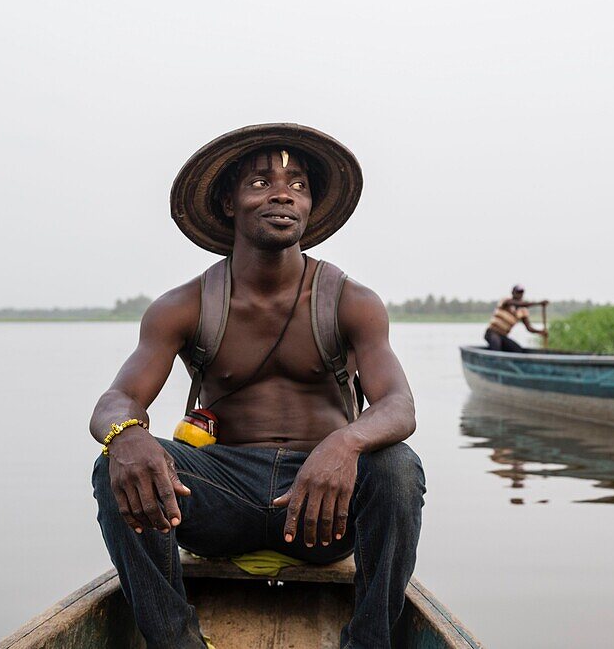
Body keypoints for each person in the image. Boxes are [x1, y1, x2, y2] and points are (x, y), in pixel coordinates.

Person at [89, 124, 424, 649]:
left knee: (397, 467)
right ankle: (176, 642)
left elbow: (399, 406)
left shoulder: (351, 300)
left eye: (297, 184)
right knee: (119, 463)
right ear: (229, 202)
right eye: (261, 182)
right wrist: (127, 435)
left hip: (322, 508)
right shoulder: (185, 304)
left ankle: (368, 640)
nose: (282, 194)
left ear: (311, 204)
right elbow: (117, 400)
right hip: (223, 500)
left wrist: (344, 442)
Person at [484, 285, 549, 352]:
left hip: (502, 336)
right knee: (496, 349)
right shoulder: (506, 301)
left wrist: (541, 332)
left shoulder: (523, 311)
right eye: (517, 292)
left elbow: (529, 328)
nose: (519, 295)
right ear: (512, 292)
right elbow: (522, 304)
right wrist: (539, 303)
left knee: (518, 350)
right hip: (492, 332)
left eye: (521, 293)